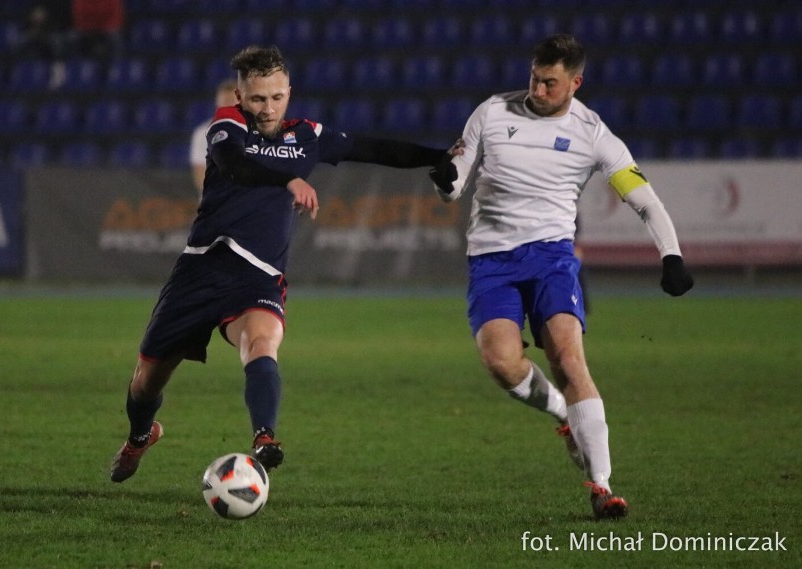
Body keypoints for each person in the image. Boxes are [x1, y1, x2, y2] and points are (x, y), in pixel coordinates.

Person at [110, 45, 462, 483]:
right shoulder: (227, 125)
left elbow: (370, 148)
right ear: (240, 97)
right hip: (201, 268)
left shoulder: (308, 135)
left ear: (289, 92)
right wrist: (289, 178)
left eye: (277, 97)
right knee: (146, 381)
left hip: (258, 274)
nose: (268, 107)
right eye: (258, 98)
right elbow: (234, 166)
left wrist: (435, 156)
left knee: (261, 343)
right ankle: (141, 435)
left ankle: (264, 437)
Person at [429, 33, 693, 519]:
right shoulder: (491, 112)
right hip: (490, 259)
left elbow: (644, 200)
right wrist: (447, 181)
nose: (538, 89)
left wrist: (671, 256)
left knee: (569, 360)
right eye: (534, 77)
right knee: (501, 363)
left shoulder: (594, 133)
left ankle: (603, 486)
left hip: (551, 256)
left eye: (550, 83)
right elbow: (456, 182)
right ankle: (561, 415)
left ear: (575, 82)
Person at [190, 80, 239, 197]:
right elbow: (200, 176)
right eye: (225, 101)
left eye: (232, 101)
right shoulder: (203, 134)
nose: (228, 105)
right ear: (217, 103)